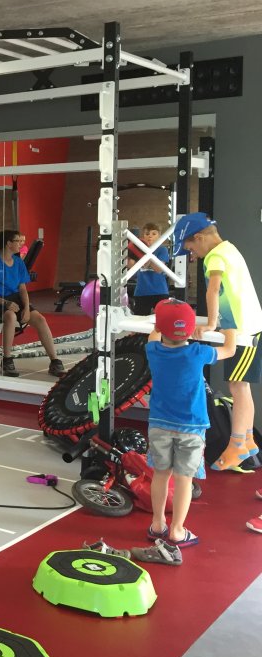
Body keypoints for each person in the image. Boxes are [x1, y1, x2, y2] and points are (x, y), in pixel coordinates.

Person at [172, 213, 262, 488]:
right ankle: (247, 439)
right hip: (247, 325)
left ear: (199, 238)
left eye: (190, 248)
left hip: (245, 331)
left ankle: (237, 443)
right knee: (241, 386)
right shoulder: (229, 249)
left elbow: (213, 291)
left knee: (238, 386)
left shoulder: (215, 257)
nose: (192, 254)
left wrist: (211, 324)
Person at [145, 299, 236, 550]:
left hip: (159, 424)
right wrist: (229, 328)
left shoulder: (153, 350)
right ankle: (177, 531)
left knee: (160, 475)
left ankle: (157, 524)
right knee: (184, 479)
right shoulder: (198, 353)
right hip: (192, 427)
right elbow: (229, 349)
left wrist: (163, 323)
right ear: (190, 330)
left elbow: (155, 333)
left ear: (160, 328)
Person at [0, 229, 66, 378]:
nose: (21, 244)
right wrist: (5, 303)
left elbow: (22, 289)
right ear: (8, 243)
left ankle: (54, 361)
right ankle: (7, 360)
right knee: (10, 316)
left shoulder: (19, 262)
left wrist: (26, 308)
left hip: (15, 298)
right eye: (18, 241)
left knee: (40, 319)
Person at [128, 221, 171, 315]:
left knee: (163, 318)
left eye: (153, 234)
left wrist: (145, 255)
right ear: (143, 236)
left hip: (159, 291)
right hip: (141, 292)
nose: (150, 236)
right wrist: (130, 253)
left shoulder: (162, 250)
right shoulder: (139, 249)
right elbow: (131, 266)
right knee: (139, 320)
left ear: (159, 236)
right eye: (147, 234)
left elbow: (159, 269)